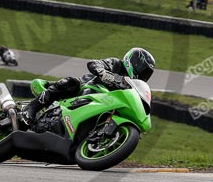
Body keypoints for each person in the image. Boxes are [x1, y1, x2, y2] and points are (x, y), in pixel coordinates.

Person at [21, 47, 156, 125]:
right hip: (84, 90)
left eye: (147, 74)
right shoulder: (116, 64)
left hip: (103, 104)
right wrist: (104, 73)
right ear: (133, 62)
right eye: (143, 70)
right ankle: (32, 108)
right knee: (71, 83)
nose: (143, 75)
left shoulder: (130, 87)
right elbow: (93, 63)